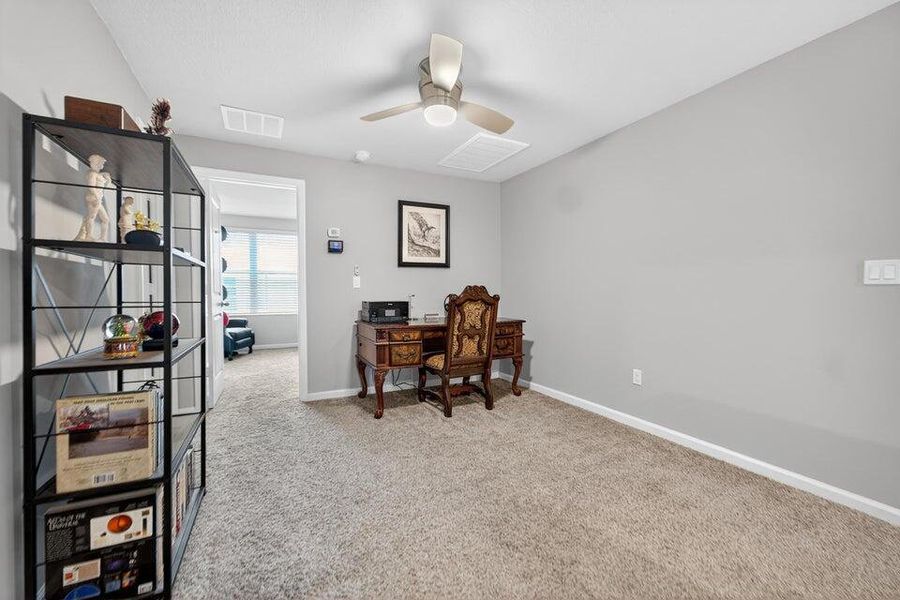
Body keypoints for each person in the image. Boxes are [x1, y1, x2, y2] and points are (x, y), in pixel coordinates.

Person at [74, 154, 112, 241]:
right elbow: (91, 186)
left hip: (98, 198)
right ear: (97, 163)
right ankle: (88, 236)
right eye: (101, 163)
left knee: (105, 219)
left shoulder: (97, 174)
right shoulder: (92, 173)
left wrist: (108, 180)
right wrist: (97, 196)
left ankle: (102, 238)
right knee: (91, 217)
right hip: (93, 198)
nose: (102, 165)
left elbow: (104, 187)